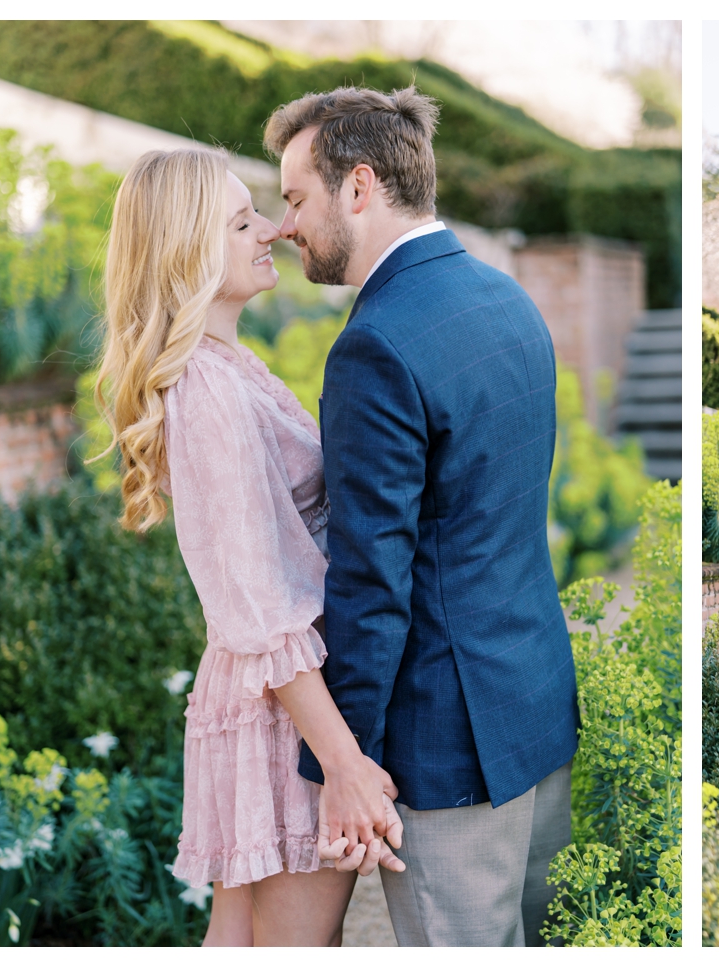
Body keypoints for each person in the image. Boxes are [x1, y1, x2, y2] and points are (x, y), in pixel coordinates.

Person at [263, 86, 580, 947]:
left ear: (358, 187)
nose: (285, 225)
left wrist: (346, 762)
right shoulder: (507, 299)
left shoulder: (376, 344)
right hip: (536, 710)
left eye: (295, 198)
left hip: (450, 750)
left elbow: (371, 583)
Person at [93, 147, 404, 947]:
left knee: (241, 943)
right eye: (240, 223)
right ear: (188, 254)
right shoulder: (208, 392)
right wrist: (344, 762)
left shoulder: (226, 367)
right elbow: (263, 605)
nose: (270, 229)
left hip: (263, 694)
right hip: (282, 706)